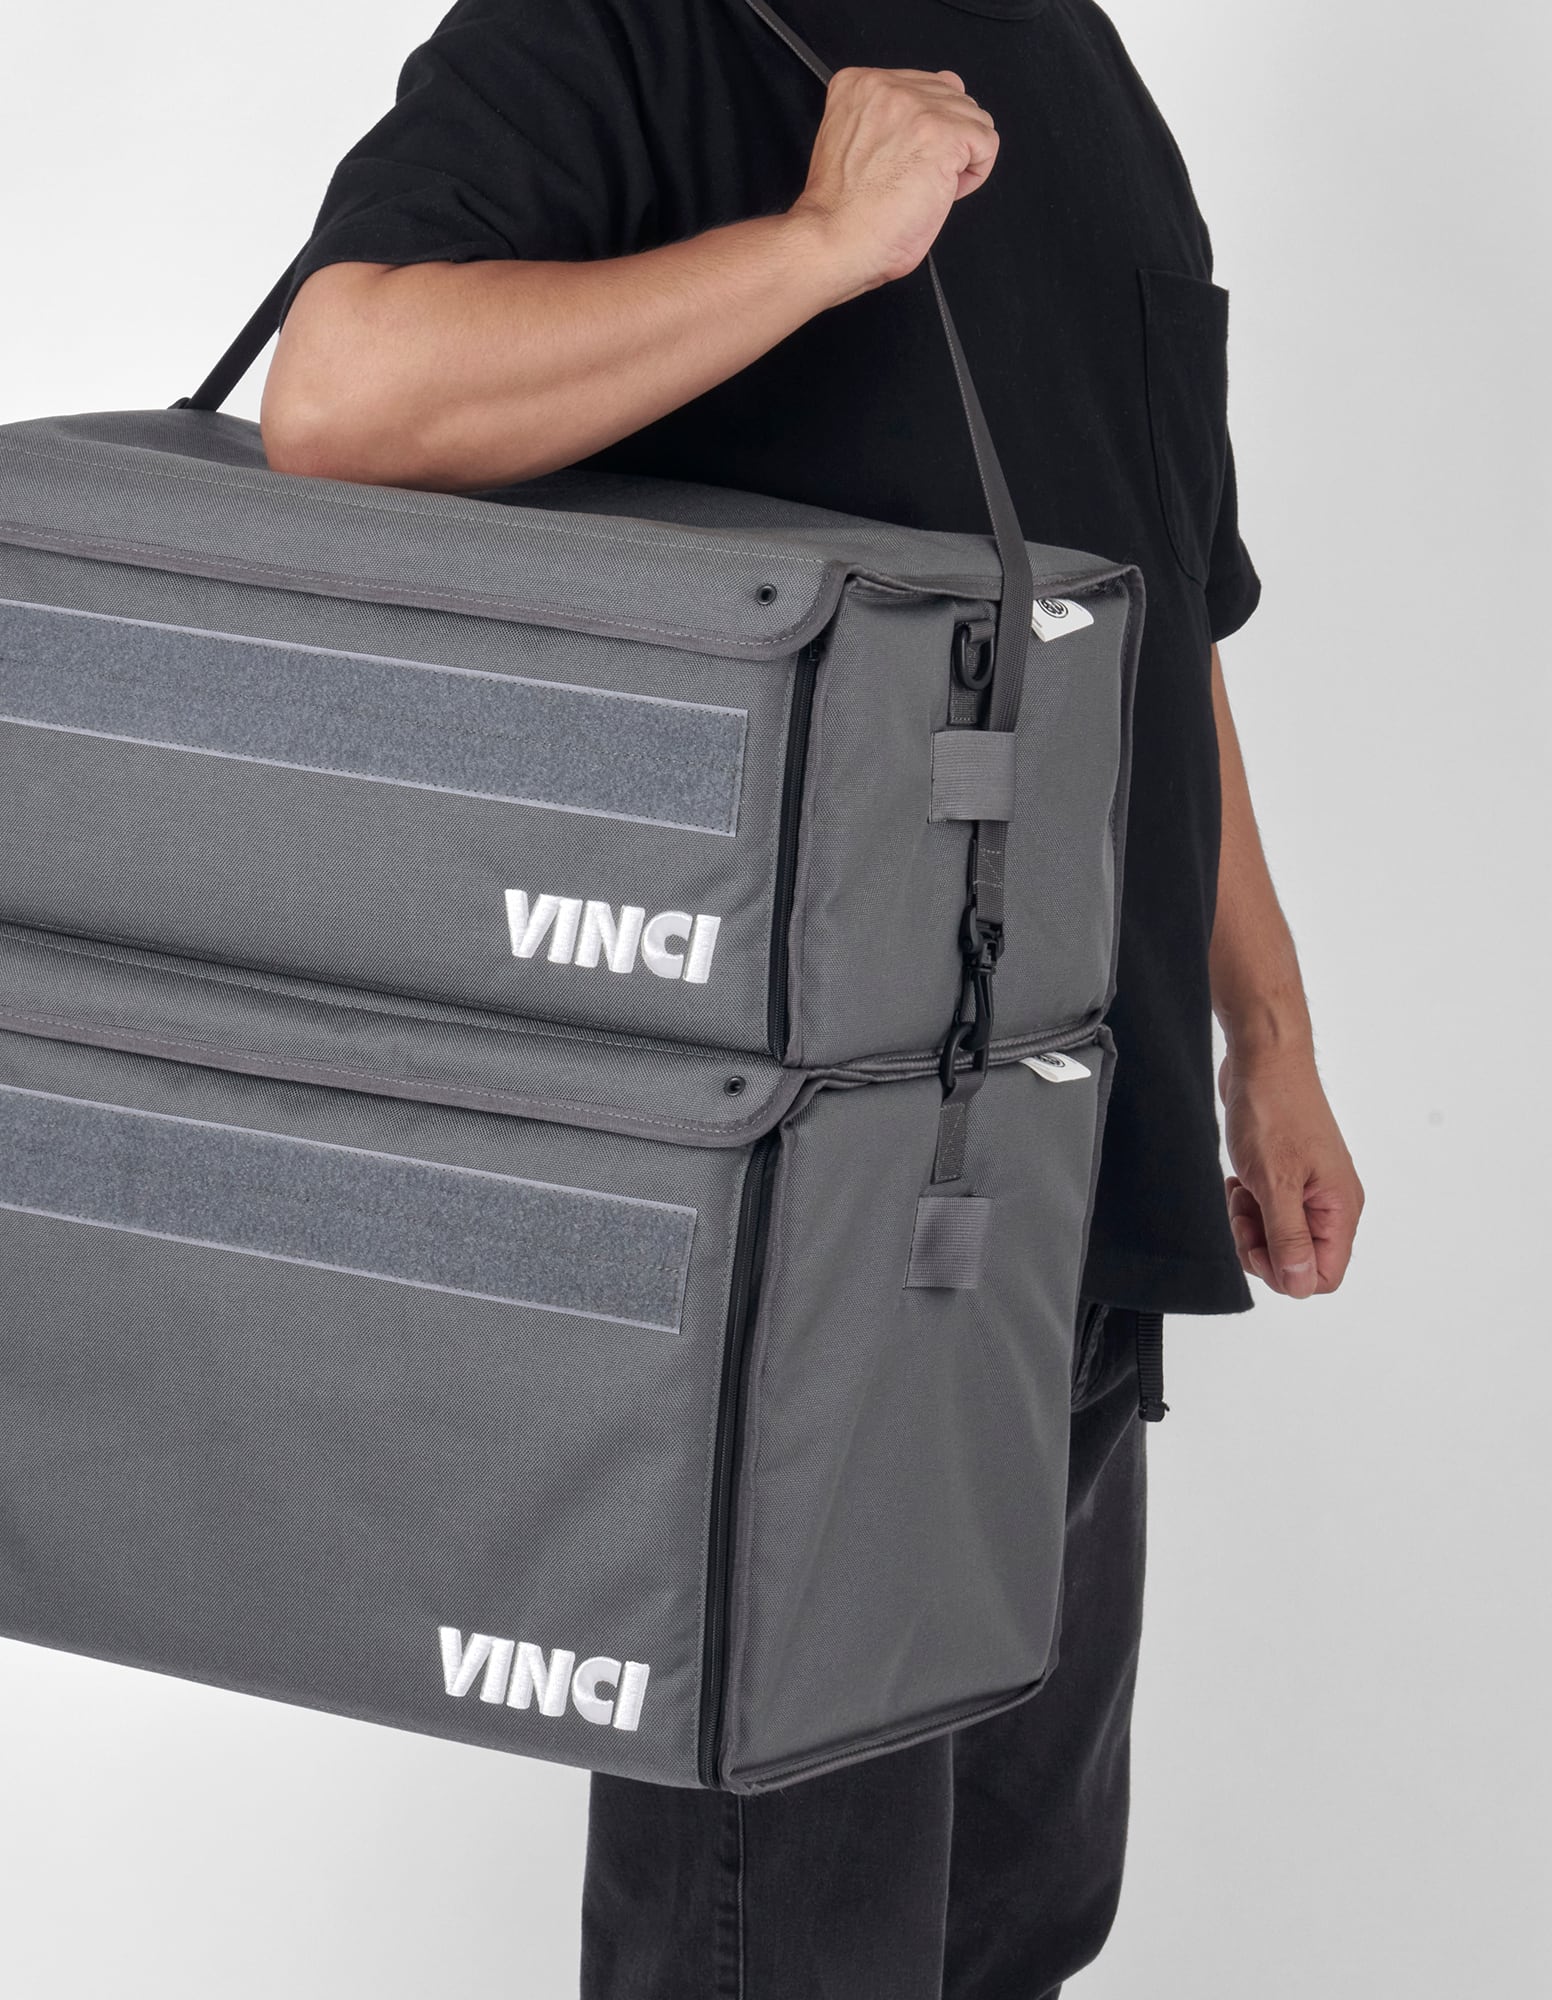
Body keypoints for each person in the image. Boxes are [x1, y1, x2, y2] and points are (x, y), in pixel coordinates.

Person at [261, 1, 1365, 1992]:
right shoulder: (633, 25)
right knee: (783, 1952)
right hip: (800, 1250)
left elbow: (1154, 608)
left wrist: (1265, 1038)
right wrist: (817, 246)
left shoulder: (1076, 59)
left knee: (1012, 1929)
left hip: (1070, 1201)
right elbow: (339, 393)